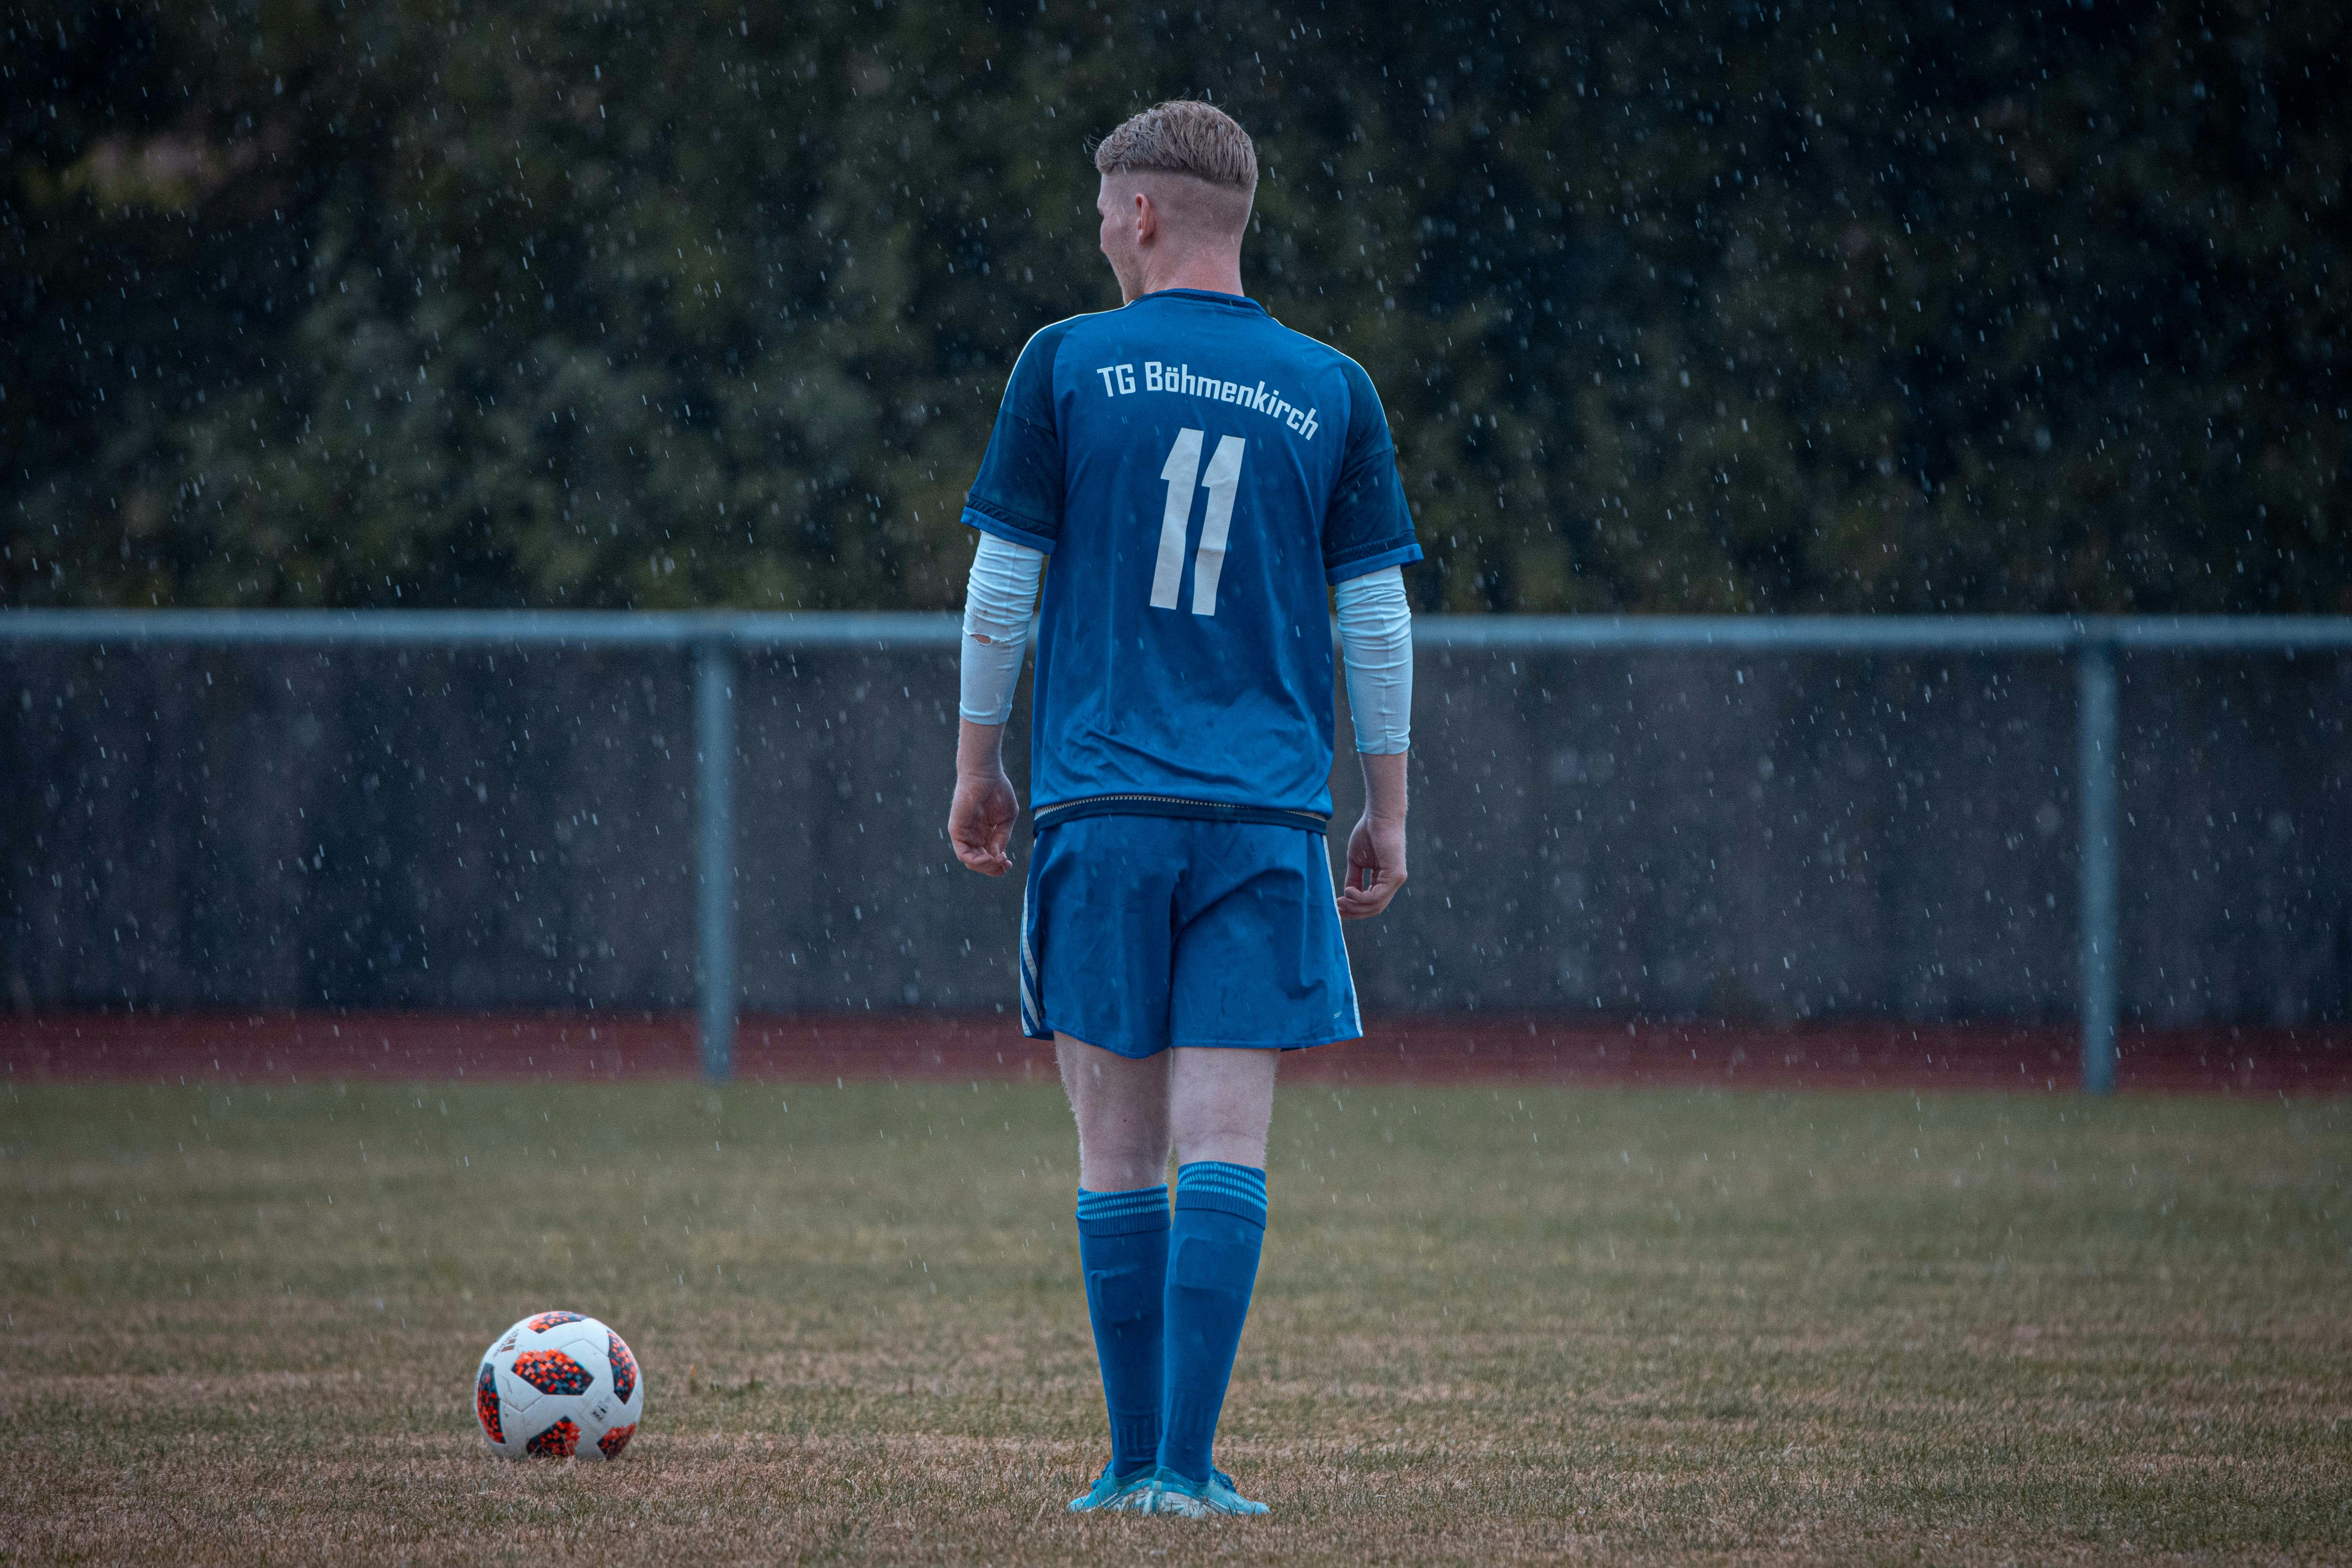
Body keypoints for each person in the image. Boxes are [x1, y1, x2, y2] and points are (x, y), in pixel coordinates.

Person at [946, 99, 1419, 1519]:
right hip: (1265, 816)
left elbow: (1003, 587)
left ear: (1143, 214)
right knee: (1227, 1141)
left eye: (1105, 210)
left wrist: (977, 763)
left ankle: (1128, 1462)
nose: (1099, 233)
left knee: (1117, 1149)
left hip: (1105, 801)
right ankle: (1192, 1474)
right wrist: (1387, 805)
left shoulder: (1066, 365)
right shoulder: (1332, 387)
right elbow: (1378, 619)